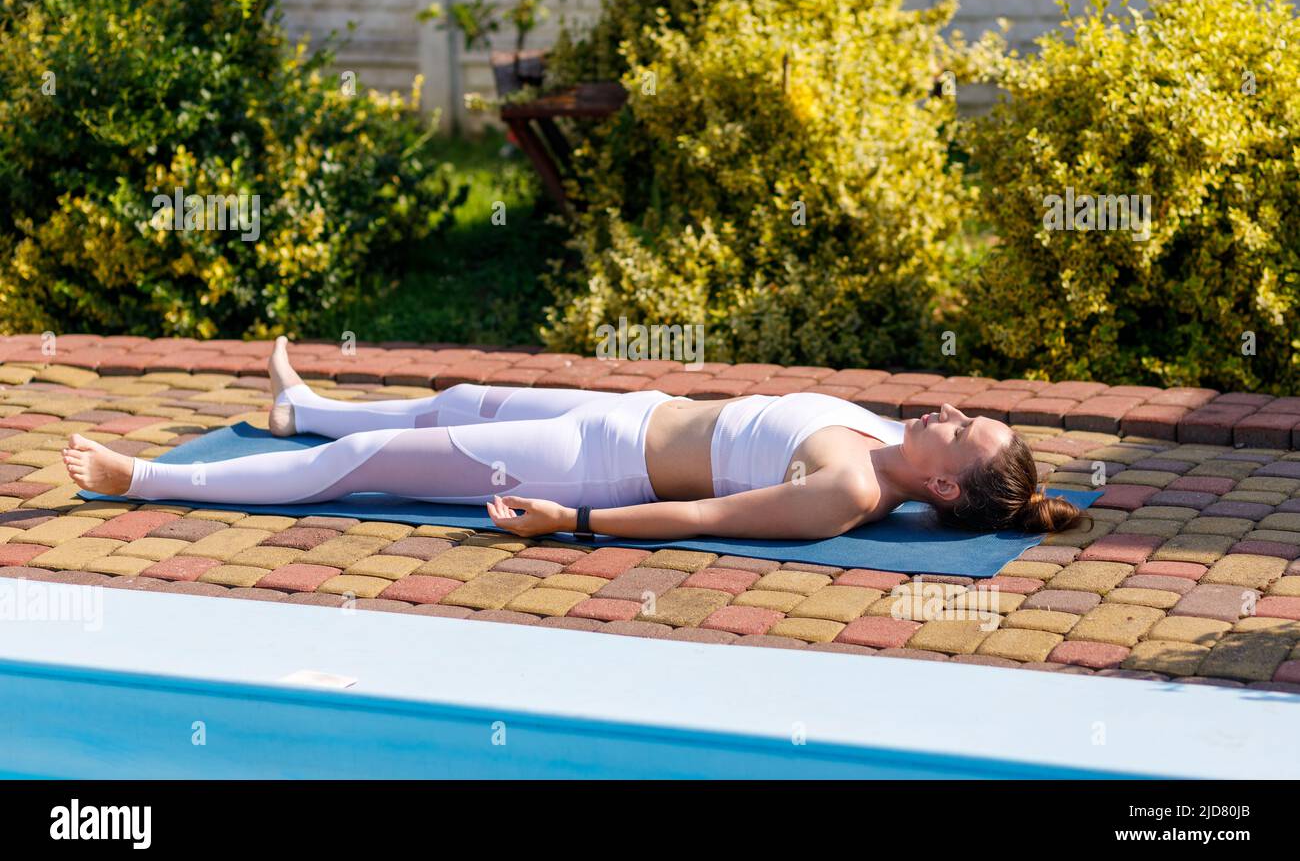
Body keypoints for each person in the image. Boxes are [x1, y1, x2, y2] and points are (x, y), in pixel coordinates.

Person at [62, 338, 1084, 541]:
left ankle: (141, 478)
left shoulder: (848, 490)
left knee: (359, 472)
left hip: (590, 464)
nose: (946, 413)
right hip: (628, 408)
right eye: (961, 411)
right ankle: (305, 403)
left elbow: (706, 513)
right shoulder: (880, 432)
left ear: (945, 489)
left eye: (962, 430)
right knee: (452, 392)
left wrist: (575, 519)